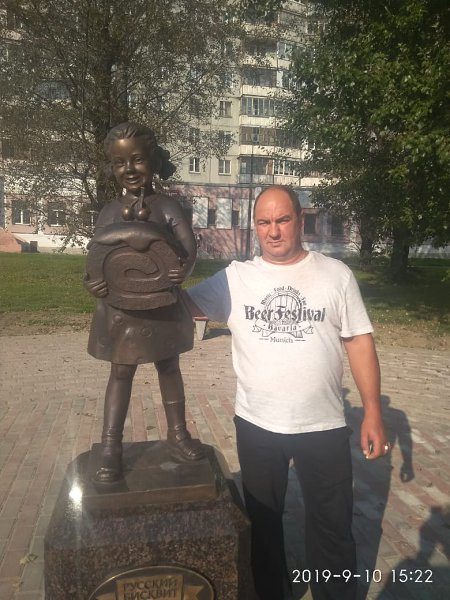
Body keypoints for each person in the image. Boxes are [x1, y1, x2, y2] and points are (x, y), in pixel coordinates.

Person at [185, 185, 390, 600]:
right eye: (264, 222)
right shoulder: (234, 279)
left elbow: (358, 341)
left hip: (324, 425)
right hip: (257, 425)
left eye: (282, 220)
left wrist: (373, 412)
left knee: (333, 527)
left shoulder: (336, 275)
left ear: (300, 220)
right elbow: (180, 306)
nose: (273, 231)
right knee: (263, 526)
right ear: (255, 226)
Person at [84, 122, 204, 484]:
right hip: (121, 312)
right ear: (112, 167)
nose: (130, 169)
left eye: (137, 159)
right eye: (120, 162)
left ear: (153, 160)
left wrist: (181, 271)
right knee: (121, 372)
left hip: (161, 305)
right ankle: (111, 445)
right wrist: (93, 283)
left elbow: (188, 250)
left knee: (169, 367)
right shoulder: (108, 212)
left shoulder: (167, 206)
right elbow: (96, 259)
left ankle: (178, 433)